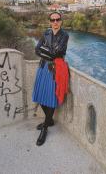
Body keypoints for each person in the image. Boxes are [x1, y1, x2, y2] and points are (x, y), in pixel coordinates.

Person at [32, 11, 69, 146]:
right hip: (43, 67)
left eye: (57, 19)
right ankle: (50, 120)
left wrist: (46, 50)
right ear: (49, 21)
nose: (55, 22)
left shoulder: (65, 35)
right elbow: (37, 49)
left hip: (55, 70)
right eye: (52, 20)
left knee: (51, 98)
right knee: (40, 95)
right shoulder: (46, 33)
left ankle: (45, 128)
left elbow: (56, 53)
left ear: (61, 21)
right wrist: (49, 53)